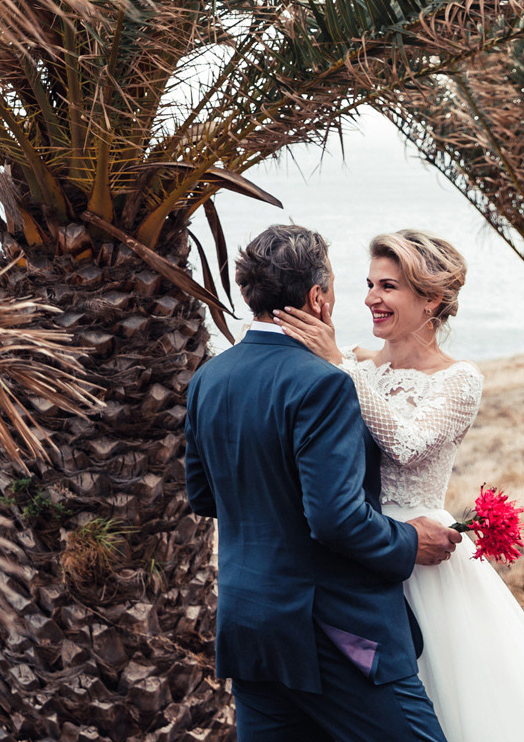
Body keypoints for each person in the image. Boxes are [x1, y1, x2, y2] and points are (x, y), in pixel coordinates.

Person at [272, 229, 524, 742]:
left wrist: (342, 367)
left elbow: (407, 445)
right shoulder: (359, 364)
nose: (370, 299)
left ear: (430, 298)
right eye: (368, 284)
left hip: (421, 559)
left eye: (387, 286)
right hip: (352, 545)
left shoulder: (459, 378)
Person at [184, 223, 458, 742]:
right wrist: (409, 541)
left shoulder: (209, 378)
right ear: (317, 298)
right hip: (338, 635)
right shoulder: (325, 384)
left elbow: (203, 495)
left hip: (249, 625)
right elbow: (335, 518)